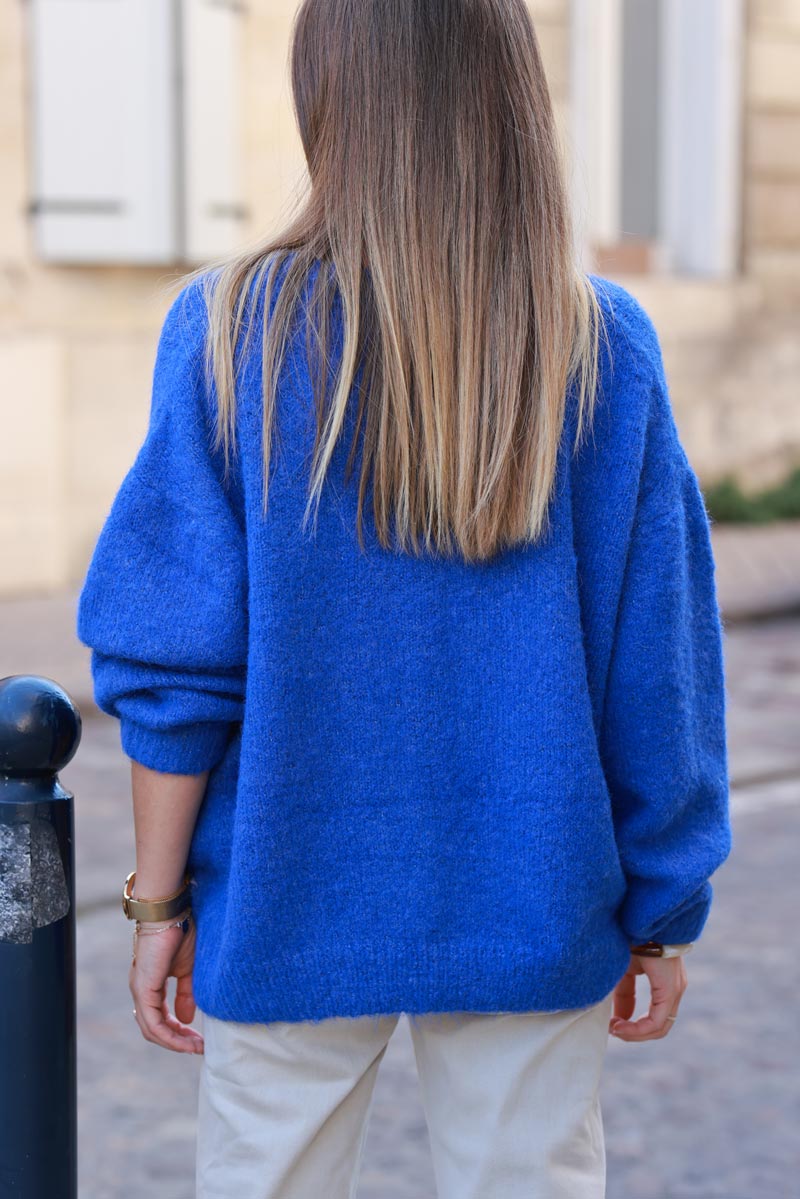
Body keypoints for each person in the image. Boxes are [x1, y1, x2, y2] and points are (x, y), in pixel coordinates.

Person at [75, 1, 732, 1196]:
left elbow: (174, 668)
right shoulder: (597, 346)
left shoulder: (232, 334)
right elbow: (660, 675)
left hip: (282, 894)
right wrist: (660, 907)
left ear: (327, 96)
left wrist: (156, 901)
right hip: (533, 897)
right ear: (510, 103)